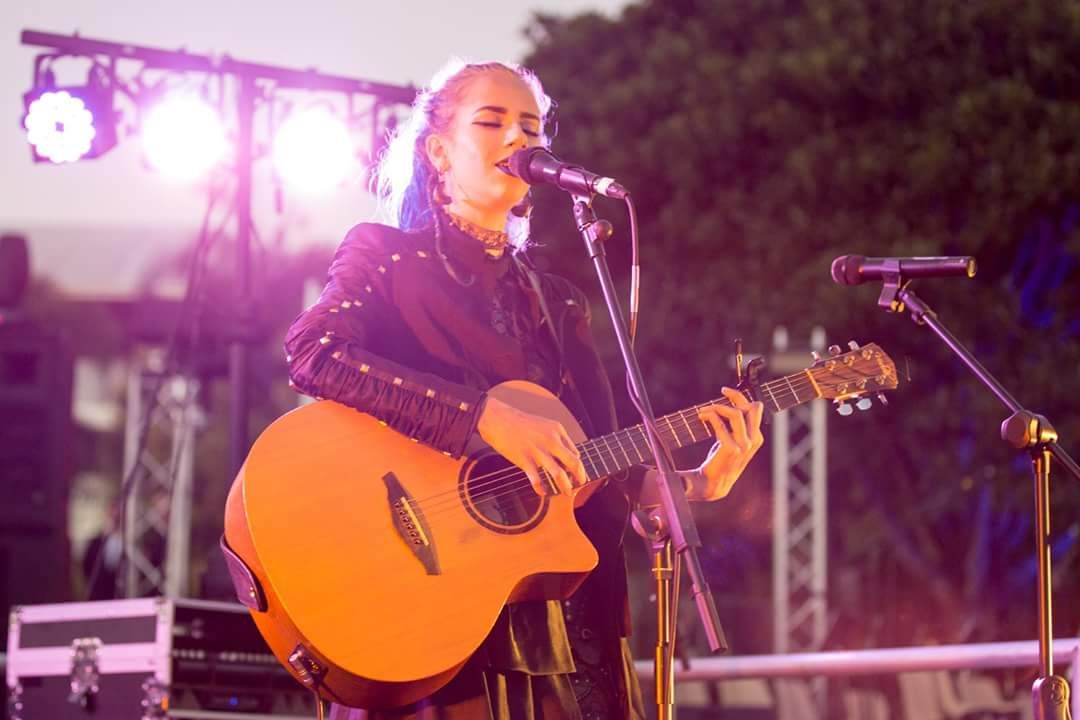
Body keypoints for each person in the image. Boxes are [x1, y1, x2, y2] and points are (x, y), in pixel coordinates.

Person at [284, 59, 764, 720]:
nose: (518, 138)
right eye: (492, 122)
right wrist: (479, 418)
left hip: (569, 623)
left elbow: (595, 470)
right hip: (434, 608)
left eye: (532, 128)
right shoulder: (385, 256)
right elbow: (313, 352)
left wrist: (695, 483)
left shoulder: (559, 300)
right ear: (438, 151)